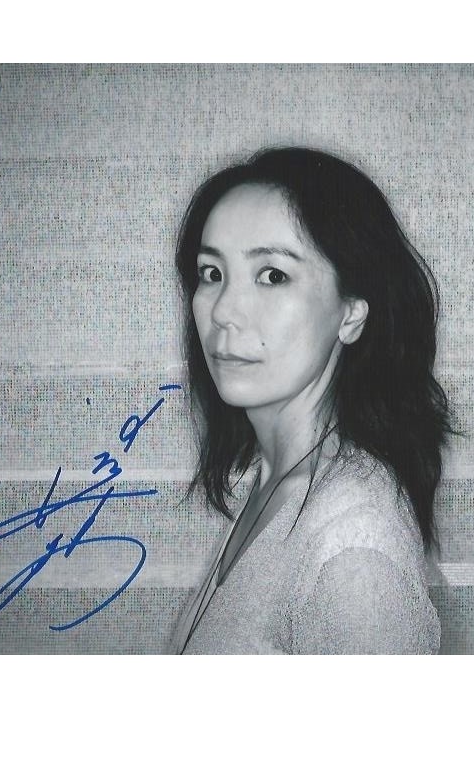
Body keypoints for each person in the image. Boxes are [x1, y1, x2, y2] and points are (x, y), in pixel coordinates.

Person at [170, 147, 454, 654]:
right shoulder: (270, 481)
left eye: (273, 275)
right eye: (212, 273)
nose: (224, 311)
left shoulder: (354, 551)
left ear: (351, 313)